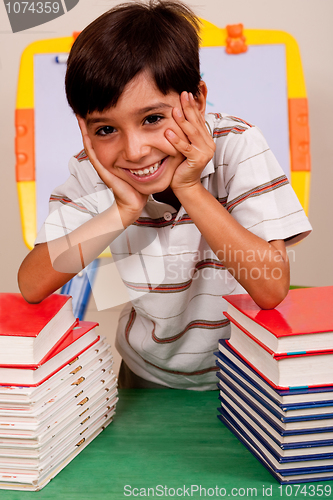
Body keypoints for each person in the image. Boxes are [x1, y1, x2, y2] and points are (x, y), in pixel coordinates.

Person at [18, 0, 312, 390]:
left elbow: (272, 287)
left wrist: (188, 187)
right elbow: (32, 283)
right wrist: (122, 209)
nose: (135, 150)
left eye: (152, 119)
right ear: (85, 129)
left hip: (247, 374)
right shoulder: (94, 171)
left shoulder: (237, 146)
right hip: (145, 374)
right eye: (105, 129)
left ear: (198, 101)